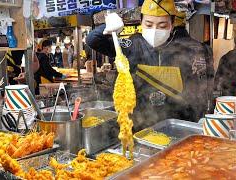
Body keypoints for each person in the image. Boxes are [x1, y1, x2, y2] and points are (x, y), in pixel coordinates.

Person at [87, 0, 211, 130]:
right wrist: (107, 27)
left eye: (162, 26)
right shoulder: (132, 45)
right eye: (149, 24)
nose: (155, 30)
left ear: (172, 24)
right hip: (137, 125)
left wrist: (197, 119)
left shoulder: (184, 49)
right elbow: (93, 40)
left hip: (173, 124)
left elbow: (196, 92)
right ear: (141, 22)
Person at [172, 11, 215, 114]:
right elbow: (211, 78)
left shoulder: (169, 49)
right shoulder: (204, 47)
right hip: (200, 104)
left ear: (171, 27)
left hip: (177, 107)